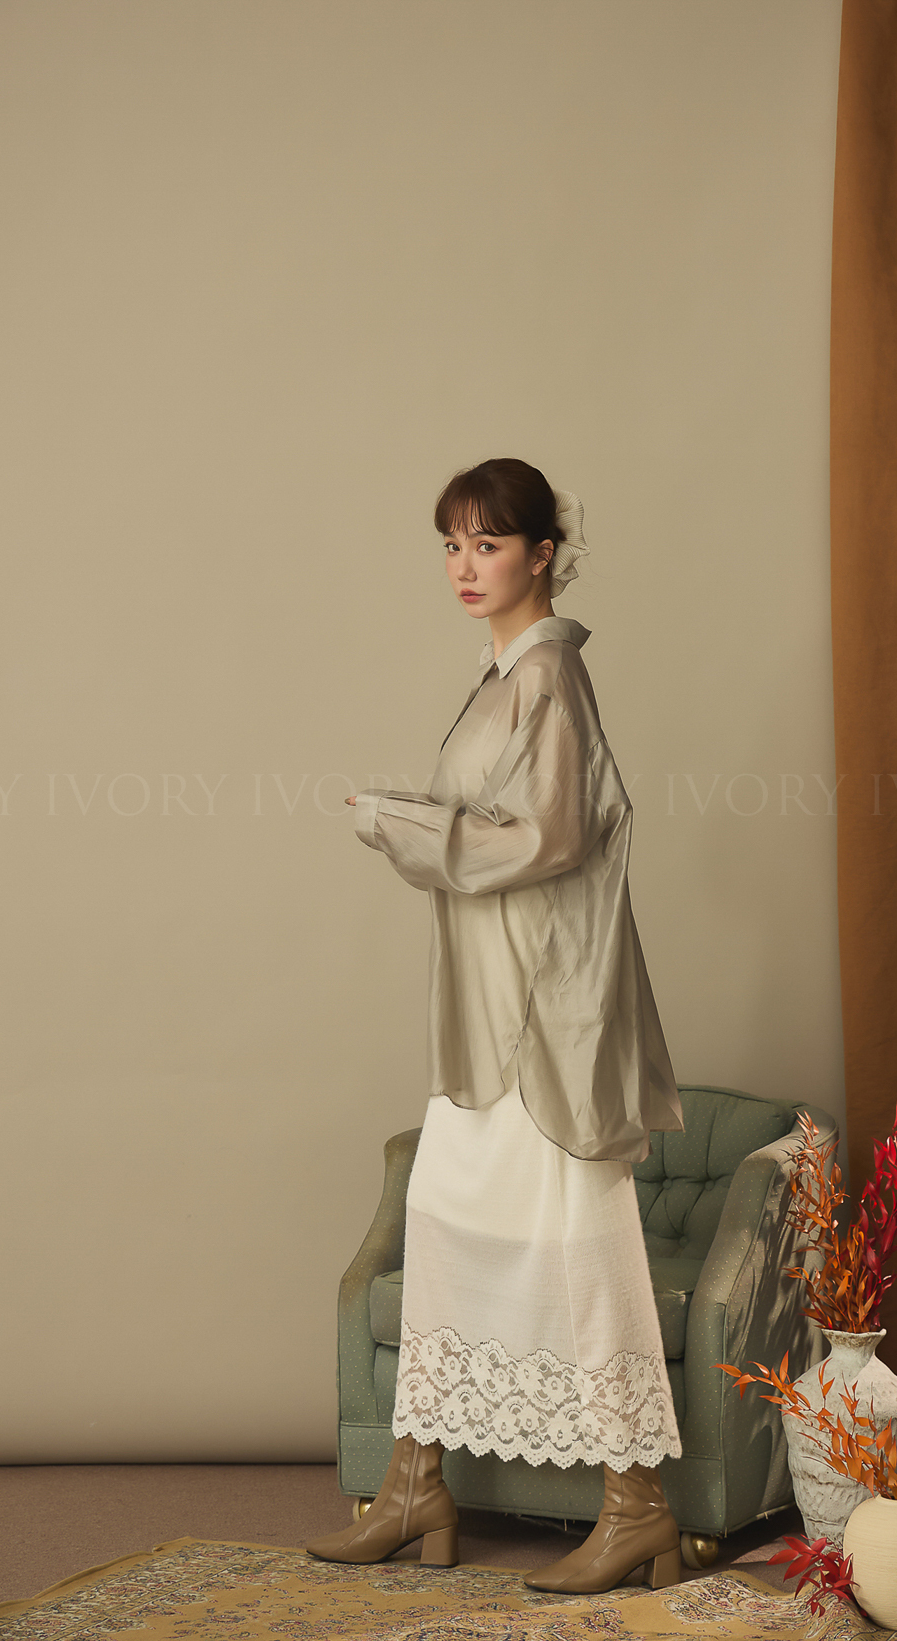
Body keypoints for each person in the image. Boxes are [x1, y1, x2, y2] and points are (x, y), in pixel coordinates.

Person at [306, 458, 685, 1593]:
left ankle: (638, 1509)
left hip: (541, 1017)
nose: (465, 567)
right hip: (492, 1009)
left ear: (541, 554)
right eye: (451, 546)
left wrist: (399, 825)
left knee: (580, 1239)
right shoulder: (501, 676)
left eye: (487, 544)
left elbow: (549, 841)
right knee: (444, 1217)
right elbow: (501, 824)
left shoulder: (548, 677)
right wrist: (414, 819)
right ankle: (415, 1486)